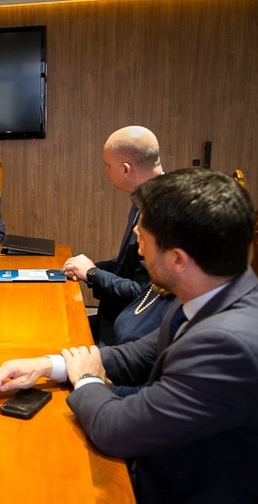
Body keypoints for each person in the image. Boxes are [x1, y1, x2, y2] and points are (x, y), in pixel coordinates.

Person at [0, 168, 258, 504]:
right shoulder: (209, 289)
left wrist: (84, 379)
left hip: (175, 492)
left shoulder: (228, 346)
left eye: (143, 235)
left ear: (178, 260)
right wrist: (49, 364)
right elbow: (139, 356)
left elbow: (118, 430)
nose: (136, 241)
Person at [62, 126, 163, 343]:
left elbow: (142, 295)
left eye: (108, 166)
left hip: (132, 333)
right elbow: (131, 264)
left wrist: (92, 273)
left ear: (125, 169)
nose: (106, 171)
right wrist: (88, 268)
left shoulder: (160, 212)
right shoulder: (144, 200)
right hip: (117, 317)